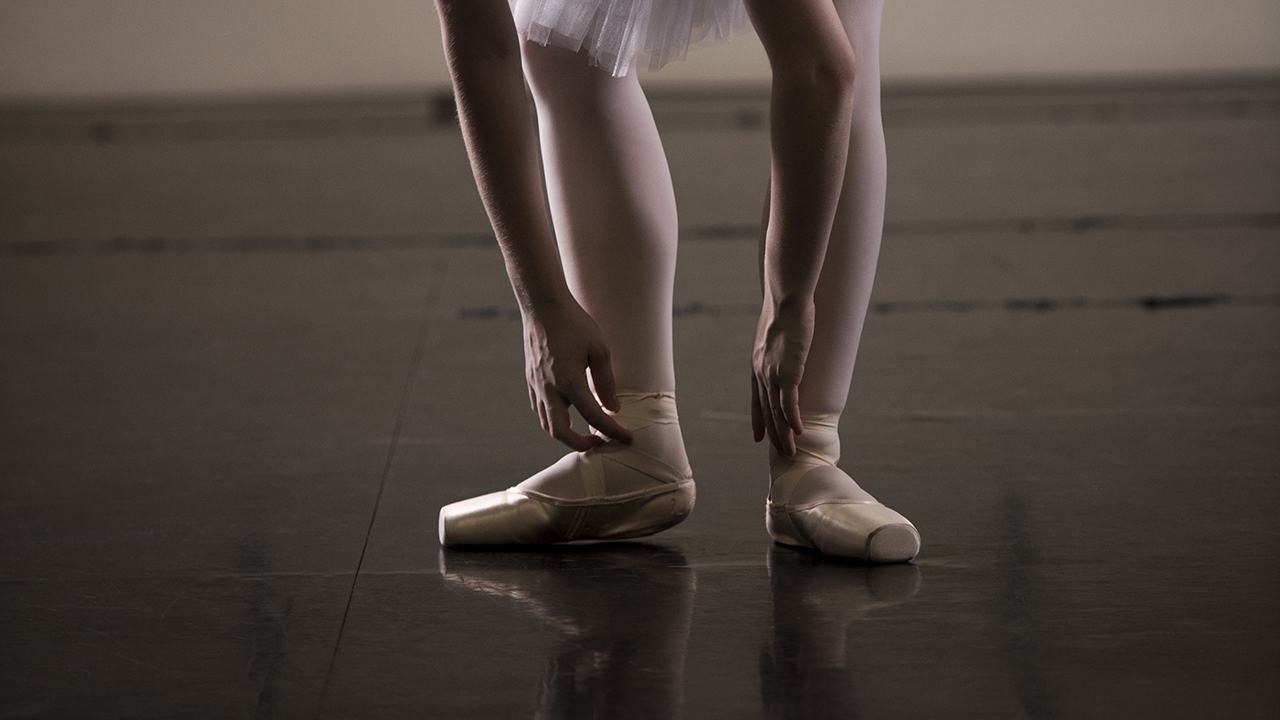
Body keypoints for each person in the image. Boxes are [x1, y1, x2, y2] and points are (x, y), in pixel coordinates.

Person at [434, 0, 919, 562]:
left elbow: (821, 69)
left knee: (844, 31)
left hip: (825, 64)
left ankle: (809, 452)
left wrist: (790, 300)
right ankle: (635, 443)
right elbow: (482, 46)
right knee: (559, 46)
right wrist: (541, 302)